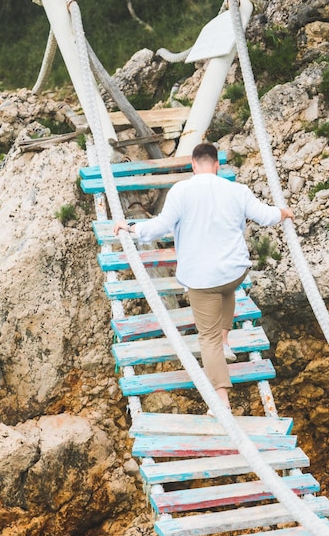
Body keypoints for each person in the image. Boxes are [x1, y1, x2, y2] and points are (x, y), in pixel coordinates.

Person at [114, 142, 294, 414]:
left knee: (206, 338)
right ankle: (225, 339)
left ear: (194, 165)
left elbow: (159, 228)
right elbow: (266, 216)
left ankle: (221, 399)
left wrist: (130, 227)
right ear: (217, 165)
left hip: (202, 279)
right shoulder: (237, 190)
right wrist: (284, 212)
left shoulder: (181, 191)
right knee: (227, 290)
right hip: (234, 272)